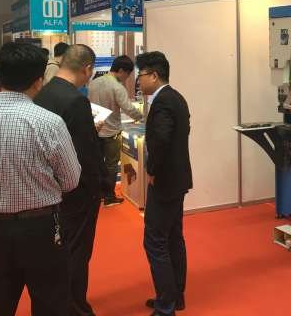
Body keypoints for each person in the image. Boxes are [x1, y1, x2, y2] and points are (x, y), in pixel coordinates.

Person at [0, 42, 81, 315]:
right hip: (42, 229)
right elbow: (71, 180)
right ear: (38, 80)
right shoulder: (49, 122)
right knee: (51, 306)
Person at [34, 44, 109, 316]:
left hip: (49, 186)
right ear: (87, 69)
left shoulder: (43, 93)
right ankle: (75, 307)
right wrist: (99, 187)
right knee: (77, 251)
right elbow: (85, 154)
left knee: (58, 249)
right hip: (77, 190)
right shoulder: (76, 101)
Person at [137, 51, 192, 316]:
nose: (139, 80)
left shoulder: (163, 102)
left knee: (155, 241)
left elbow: (160, 140)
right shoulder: (176, 98)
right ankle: (175, 295)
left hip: (165, 181)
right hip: (177, 179)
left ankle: (166, 305)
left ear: (154, 75)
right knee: (172, 237)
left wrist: (152, 170)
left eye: (141, 75)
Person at [88, 55, 144, 206]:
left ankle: (98, 194)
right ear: (121, 71)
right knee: (111, 166)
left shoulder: (94, 82)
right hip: (111, 132)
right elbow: (128, 108)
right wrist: (142, 116)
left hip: (95, 130)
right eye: (127, 74)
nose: (127, 78)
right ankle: (109, 196)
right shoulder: (117, 87)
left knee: (98, 164)